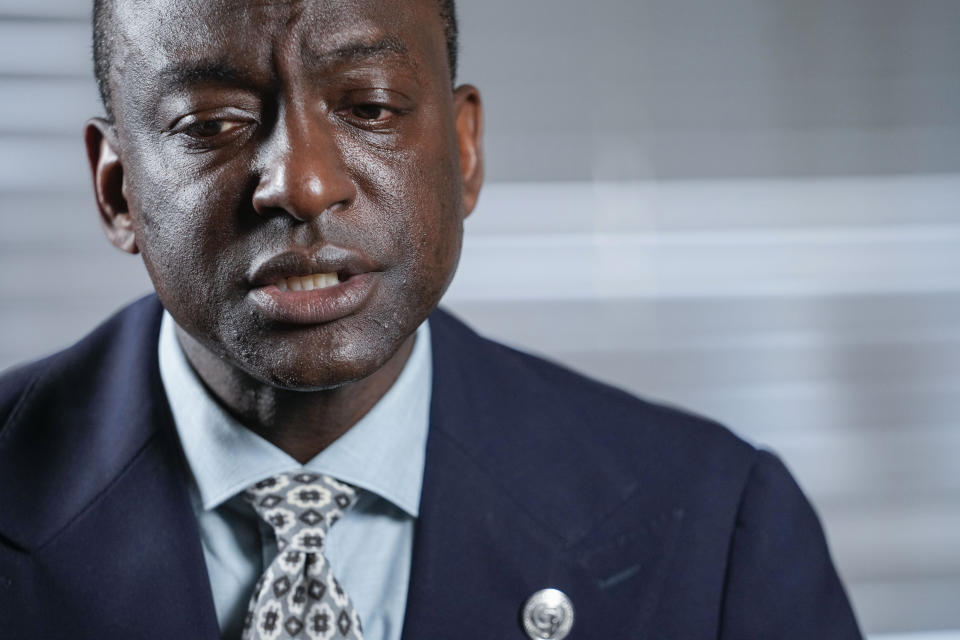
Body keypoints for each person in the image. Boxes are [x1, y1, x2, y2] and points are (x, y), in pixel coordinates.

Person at [0, 0, 863, 638]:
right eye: (214, 122)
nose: (302, 183)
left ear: (465, 152)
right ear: (117, 190)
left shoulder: (718, 532)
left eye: (369, 107)